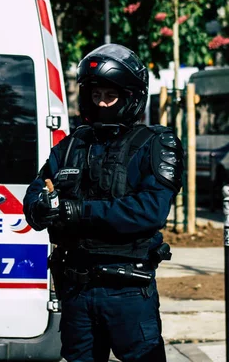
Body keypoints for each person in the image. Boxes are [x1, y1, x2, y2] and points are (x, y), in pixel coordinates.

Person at [23, 44, 184, 362]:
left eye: (109, 95)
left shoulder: (155, 145)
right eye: (95, 95)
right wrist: (40, 206)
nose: (101, 103)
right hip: (76, 291)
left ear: (129, 97)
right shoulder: (71, 146)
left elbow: (151, 210)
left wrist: (79, 211)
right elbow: (36, 192)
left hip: (126, 290)